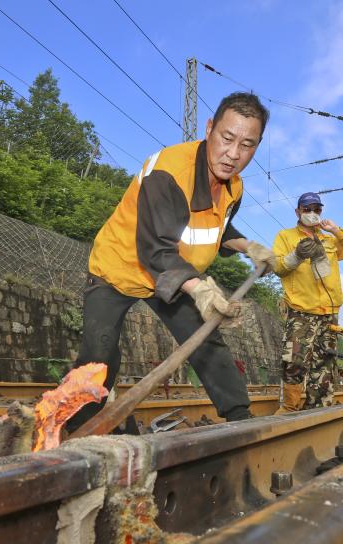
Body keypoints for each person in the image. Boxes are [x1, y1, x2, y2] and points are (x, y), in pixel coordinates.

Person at [65, 92, 275, 433]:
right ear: (209, 129)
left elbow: (215, 227)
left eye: (247, 145)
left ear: (257, 146)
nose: (234, 154)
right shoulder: (168, 173)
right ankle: (78, 432)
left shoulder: (234, 187)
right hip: (119, 267)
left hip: (171, 273)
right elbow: (156, 249)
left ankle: (240, 421)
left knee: (204, 337)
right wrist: (202, 290)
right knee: (98, 356)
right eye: (227, 138)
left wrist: (247, 246)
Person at [272, 192, 343, 412]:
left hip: (329, 311)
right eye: (306, 209)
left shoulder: (329, 238)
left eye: (316, 210)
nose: (312, 213)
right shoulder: (285, 236)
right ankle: (290, 407)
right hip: (301, 309)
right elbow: (278, 267)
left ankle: (319, 409)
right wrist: (297, 255)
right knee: (295, 359)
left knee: (324, 362)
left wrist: (336, 230)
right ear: (297, 212)